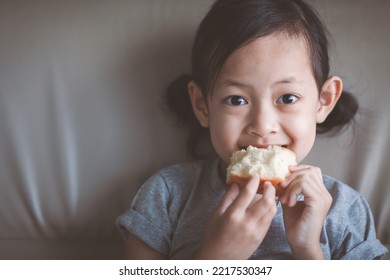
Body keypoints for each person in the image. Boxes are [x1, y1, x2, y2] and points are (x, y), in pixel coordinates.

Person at [116, 0, 388, 259]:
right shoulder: (167, 196)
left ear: (324, 100)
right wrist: (214, 259)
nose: (262, 126)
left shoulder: (346, 211)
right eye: (236, 100)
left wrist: (309, 251)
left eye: (287, 98)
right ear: (202, 106)